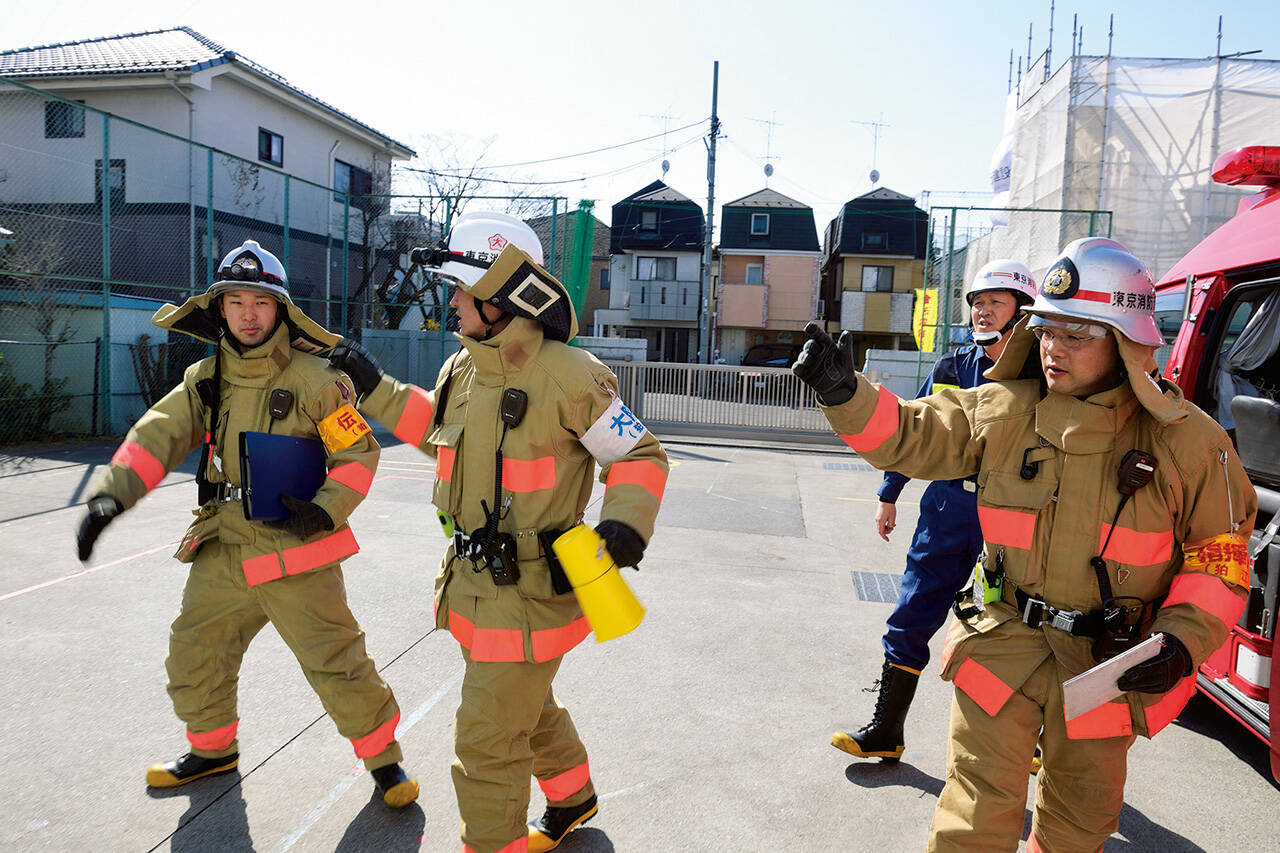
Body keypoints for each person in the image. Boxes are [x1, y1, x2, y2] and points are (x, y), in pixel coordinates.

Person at [794, 236, 1255, 851]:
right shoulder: (1003, 408)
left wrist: (1183, 639)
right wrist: (843, 391)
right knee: (974, 814)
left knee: (1078, 826)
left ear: (1125, 342)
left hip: (1106, 666)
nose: (1053, 348)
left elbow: (1219, 559)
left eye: (1076, 335)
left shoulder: (1190, 443)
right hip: (1000, 643)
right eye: (1046, 330)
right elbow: (911, 433)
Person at [329, 212, 668, 853]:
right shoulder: (462, 369)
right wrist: (374, 390)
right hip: (475, 587)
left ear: (500, 297)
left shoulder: (571, 374)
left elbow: (639, 455)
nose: (451, 300)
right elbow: (443, 441)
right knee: (524, 706)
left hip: (534, 591)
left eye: (461, 288)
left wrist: (623, 523)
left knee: (486, 738)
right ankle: (572, 796)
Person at [73, 240, 418, 808]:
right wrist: (108, 500)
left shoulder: (317, 379)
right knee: (196, 649)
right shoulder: (203, 379)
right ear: (220, 310)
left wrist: (327, 510)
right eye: (236, 301)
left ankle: (385, 763)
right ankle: (212, 751)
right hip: (224, 544)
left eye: (260, 300)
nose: (249, 313)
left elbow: (359, 455)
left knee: (337, 662)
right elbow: (154, 436)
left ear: (280, 308)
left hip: (296, 547)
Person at [834, 260, 1036, 761]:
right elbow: (917, 429)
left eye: (996, 302)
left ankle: (1028, 741)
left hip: (1010, 516)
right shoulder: (952, 366)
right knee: (912, 613)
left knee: (1013, 630)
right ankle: (886, 731)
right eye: (977, 303)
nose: (983, 311)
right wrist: (889, 491)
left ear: (1023, 312)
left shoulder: (1044, 377)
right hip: (946, 509)